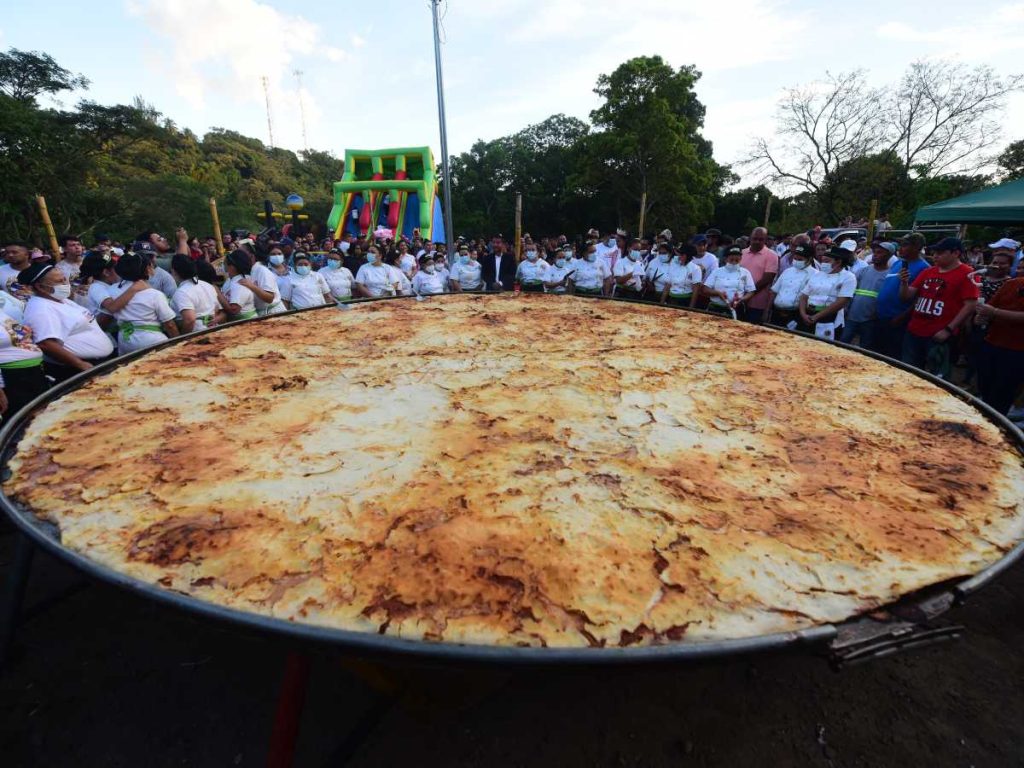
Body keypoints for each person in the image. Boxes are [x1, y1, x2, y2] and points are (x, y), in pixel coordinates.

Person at [19, 263, 114, 382]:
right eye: (60, 281)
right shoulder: (40, 309)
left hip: (97, 362)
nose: (66, 284)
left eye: (65, 279)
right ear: (40, 287)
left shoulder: (61, 301)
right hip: (77, 369)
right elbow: (46, 344)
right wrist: (80, 364)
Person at [900, 237, 979, 378]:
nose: (935, 256)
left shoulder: (967, 274)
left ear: (956, 253)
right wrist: (904, 282)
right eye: (934, 252)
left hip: (939, 335)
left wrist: (948, 330)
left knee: (937, 376)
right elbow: (907, 296)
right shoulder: (928, 272)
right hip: (914, 330)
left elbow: (970, 305)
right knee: (908, 372)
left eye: (940, 252)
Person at [869, 233, 930, 360]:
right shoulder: (898, 263)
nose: (900, 248)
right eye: (900, 245)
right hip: (880, 317)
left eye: (905, 245)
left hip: (897, 321)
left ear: (917, 247)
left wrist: (901, 317)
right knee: (874, 355)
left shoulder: (924, 269)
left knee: (891, 358)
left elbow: (920, 299)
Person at [109, 253, 179, 354]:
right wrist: (177, 343)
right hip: (152, 341)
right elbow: (170, 325)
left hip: (125, 341)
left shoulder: (112, 290)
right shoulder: (154, 294)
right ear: (147, 268)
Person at [975, 274, 1024, 415]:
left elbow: (993, 310)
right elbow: (989, 307)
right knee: (985, 386)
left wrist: (995, 312)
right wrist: (981, 316)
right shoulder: (1011, 284)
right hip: (992, 343)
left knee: (1003, 392)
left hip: (1018, 351)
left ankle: (994, 425)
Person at [839, 241, 892, 347]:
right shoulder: (863, 271)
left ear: (889, 255)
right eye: (874, 252)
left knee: (865, 348)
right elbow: (851, 292)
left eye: (879, 252)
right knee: (842, 343)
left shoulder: (890, 275)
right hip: (852, 316)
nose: (875, 255)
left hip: (871, 320)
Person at [798, 247, 856, 339]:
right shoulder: (817, 275)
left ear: (838, 262)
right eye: (822, 261)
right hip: (808, 314)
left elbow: (842, 302)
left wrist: (816, 317)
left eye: (827, 261)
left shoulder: (848, 277)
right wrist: (803, 314)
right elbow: (804, 296)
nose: (823, 264)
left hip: (829, 318)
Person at [767, 244, 816, 328]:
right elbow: (774, 291)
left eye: (800, 259)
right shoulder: (788, 271)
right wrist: (767, 311)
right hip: (777, 313)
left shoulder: (815, 275)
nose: (796, 261)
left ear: (809, 259)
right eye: (795, 258)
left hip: (796, 315)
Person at [170, 253, 221, 334]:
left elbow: (190, 320)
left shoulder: (181, 292)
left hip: (197, 334)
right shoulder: (208, 285)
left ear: (174, 271)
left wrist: (182, 338)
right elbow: (216, 309)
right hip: (214, 328)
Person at [739, 227, 779, 324]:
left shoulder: (772, 255)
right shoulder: (742, 253)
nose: (757, 241)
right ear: (750, 238)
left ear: (765, 240)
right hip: (739, 300)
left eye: (761, 239)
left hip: (757, 304)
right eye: (755, 238)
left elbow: (768, 278)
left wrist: (748, 294)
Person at [701, 246, 756, 316]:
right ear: (725, 259)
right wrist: (718, 293)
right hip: (716, 308)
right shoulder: (717, 271)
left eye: (737, 260)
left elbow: (751, 291)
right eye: (731, 260)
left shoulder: (745, 272)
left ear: (740, 259)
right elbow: (705, 289)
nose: (734, 262)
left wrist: (741, 299)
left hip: (736, 308)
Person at [222, 250, 259, 320]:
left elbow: (234, 310)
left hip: (247, 323)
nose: (223, 266)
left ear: (232, 267)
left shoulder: (240, 283)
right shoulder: (232, 280)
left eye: (225, 264)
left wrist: (218, 295)